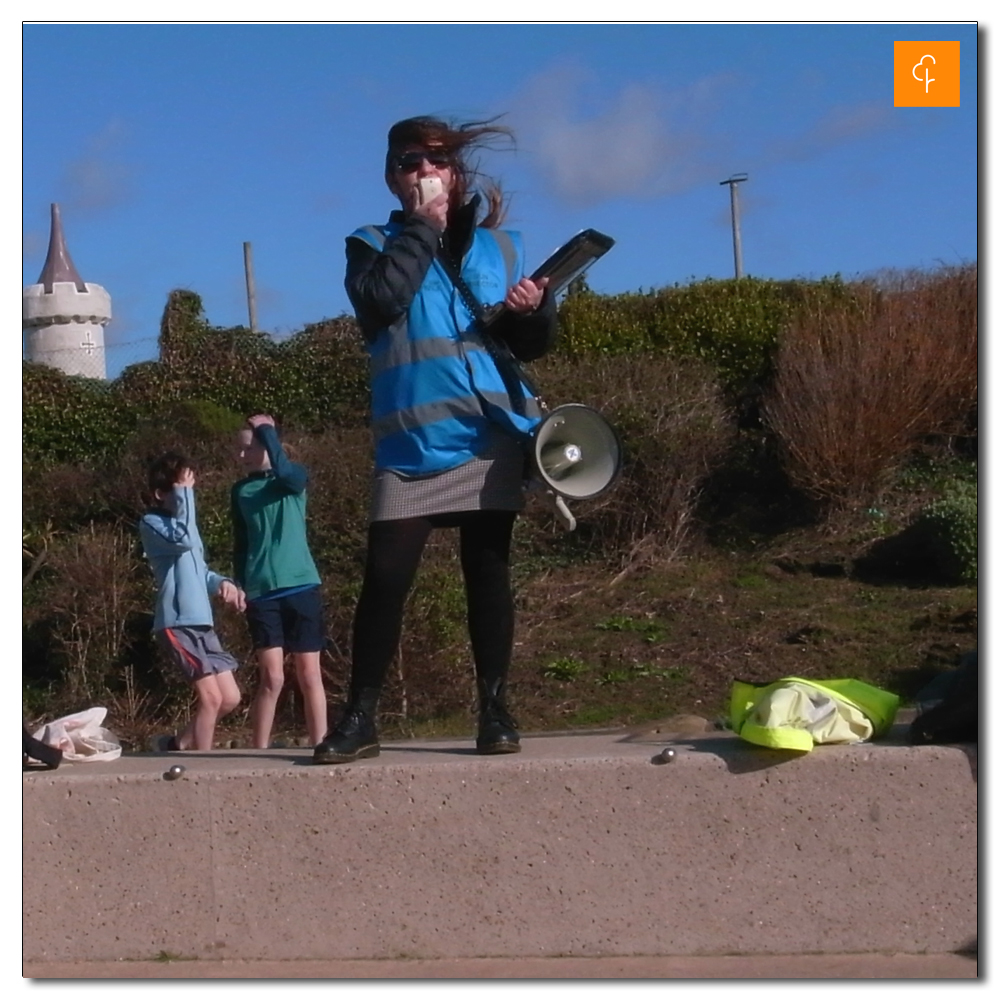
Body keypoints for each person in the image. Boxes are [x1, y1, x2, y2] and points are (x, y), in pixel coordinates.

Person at [313, 114, 557, 765]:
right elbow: (383, 302)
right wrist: (422, 225)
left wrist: (536, 311)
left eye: (437, 161)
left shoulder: (503, 249)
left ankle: (496, 710)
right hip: (410, 447)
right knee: (385, 580)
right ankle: (361, 716)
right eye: (410, 162)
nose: (424, 171)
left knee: (489, 574)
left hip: (488, 437)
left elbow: (530, 344)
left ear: (457, 171)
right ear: (393, 177)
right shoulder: (370, 244)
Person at [231, 414, 329, 748]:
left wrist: (268, 432)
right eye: (239, 450)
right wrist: (241, 582)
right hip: (261, 592)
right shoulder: (241, 490)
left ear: (267, 447)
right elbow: (241, 541)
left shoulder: (293, 476)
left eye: (248, 449)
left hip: (301, 586)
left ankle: (321, 746)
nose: (241, 456)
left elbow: (286, 474)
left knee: (309, 673)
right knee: (271, 677)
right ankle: (257, 751)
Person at [139, 452, 245, 752]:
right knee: (210, 698)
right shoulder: (152, 522)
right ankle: (203, 763)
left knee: (229, 697)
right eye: (181, 487)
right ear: (162, 494)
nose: (189, 493)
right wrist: (185, 497)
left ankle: (178, 744)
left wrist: (224, 583)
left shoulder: (187, 524)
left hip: (202, 622)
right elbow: (182, 540)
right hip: (177, 622)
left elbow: (200, 569)